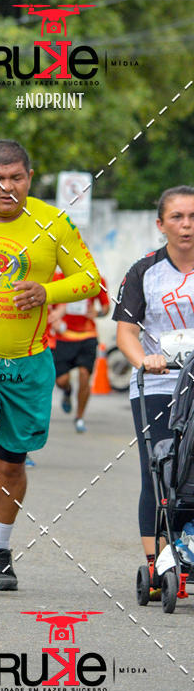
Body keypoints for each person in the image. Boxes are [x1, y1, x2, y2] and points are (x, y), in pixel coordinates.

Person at [0, 139, 101, 594]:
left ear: (29, 178)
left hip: (29, 365)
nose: (6, 187)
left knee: (11, 465)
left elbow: (89, 278)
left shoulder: (53, 222)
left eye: (16, 178)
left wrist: (47, 291)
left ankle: (0, 550)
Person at [113, 185, 194, 591]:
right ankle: (160, 560)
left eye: (193, 217)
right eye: (177, 217)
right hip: (160, 384)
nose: (187, 225)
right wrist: (144, 359)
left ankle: (189, 546)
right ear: (161, 225)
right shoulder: (144, 271)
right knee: (161, 470)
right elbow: (126, 330)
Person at [49, 271, 110, 432]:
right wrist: (54, 319)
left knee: (84, 375)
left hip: (87, 336)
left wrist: (98, 313)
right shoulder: (58, 279)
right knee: (61, 381)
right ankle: (67, 391)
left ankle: (79, 417)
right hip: (63, 337)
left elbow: (106, 307)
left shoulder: (97, 279)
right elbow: (47, 304)